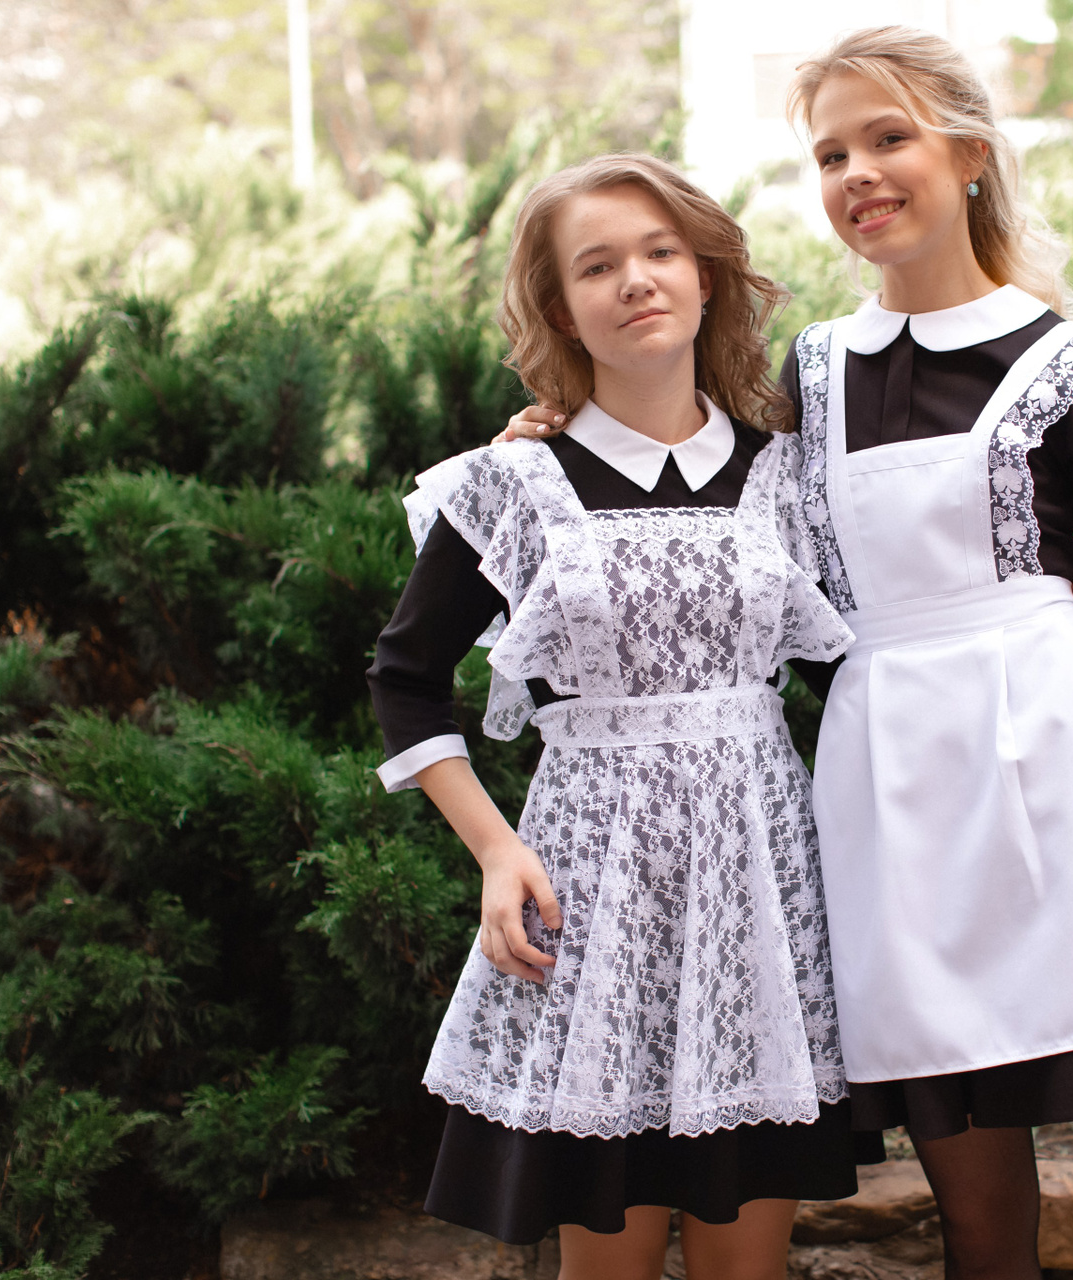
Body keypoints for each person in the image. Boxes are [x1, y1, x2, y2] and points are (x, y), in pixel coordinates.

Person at [505, 28, 1073, 1280]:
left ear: (971, 154)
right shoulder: (811, 375)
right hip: (901, 829)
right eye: (831, 154)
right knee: (981, 1235)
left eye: (889, 138)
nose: (859, 174)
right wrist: (559, 441)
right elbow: (693, 492)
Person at [367, 153, 864, 1280]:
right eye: (596, 266)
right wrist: (496, 851)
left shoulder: (787, 475)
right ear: (559, 308)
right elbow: (404, 675)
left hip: (758, 885)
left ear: (705, 276)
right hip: (592, 891)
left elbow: (853, 672)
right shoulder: (509, 484)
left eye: (660, 252)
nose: (635, 280)